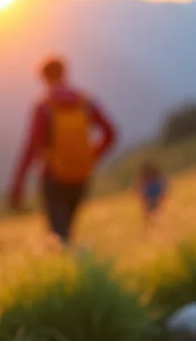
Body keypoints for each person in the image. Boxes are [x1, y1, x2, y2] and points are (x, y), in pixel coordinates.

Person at [9, 56, 118, 245]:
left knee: (59, 235)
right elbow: (111, 133)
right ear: (65, 73)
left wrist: (18, 183)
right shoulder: (85, 102)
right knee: (68, 229)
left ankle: (75, 267)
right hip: (81, 175)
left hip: (54, 177)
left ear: (43, 78)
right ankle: (81, 265)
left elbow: (31, 148)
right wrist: (91, 155)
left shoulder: (44, 106)